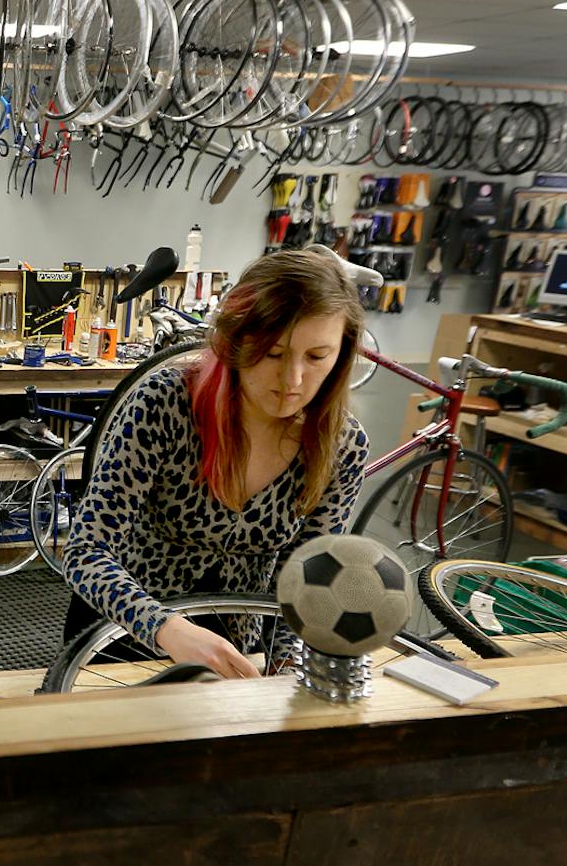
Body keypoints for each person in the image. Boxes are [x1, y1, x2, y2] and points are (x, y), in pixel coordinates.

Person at [63, 248, 370, 679]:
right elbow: (85, 551)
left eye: (317, 356)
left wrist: (287, 663)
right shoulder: (164, 403)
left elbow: (305, 576)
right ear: (235, 341)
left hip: (238, 643)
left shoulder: (342, 445)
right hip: (122, 629)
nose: (293, 380)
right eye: (273, 353)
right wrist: (164, 627)